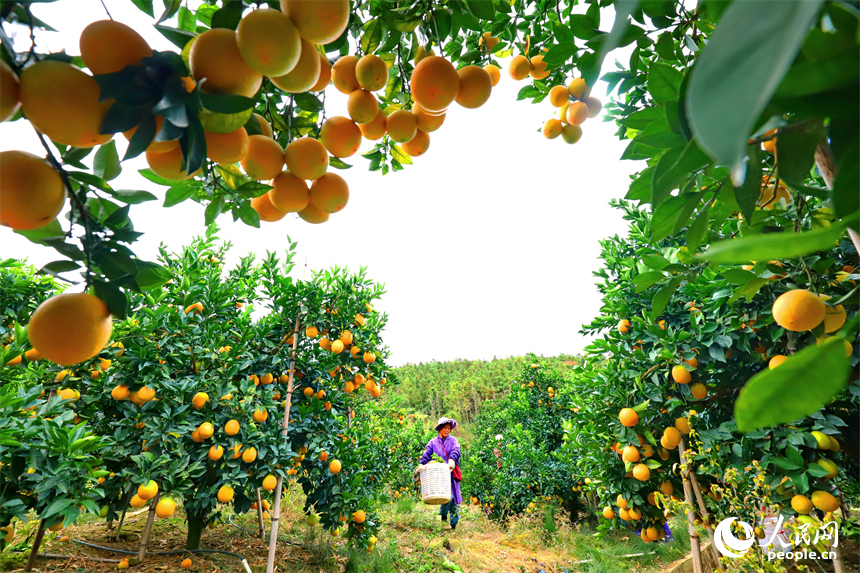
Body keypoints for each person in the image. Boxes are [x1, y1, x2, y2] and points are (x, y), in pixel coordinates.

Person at [416, 417, 462, 530]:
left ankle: (453, 524)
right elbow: (427, 454)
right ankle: (444, 517)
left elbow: (456, 450)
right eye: (445, 428)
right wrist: (421, 464)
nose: (447, 430)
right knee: (445, 496)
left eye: (449, 428)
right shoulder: (433, 442)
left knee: (454, 499)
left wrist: (452, 460)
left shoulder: (453, 440)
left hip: (451, 472)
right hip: (439, 475)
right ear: (440, 428)